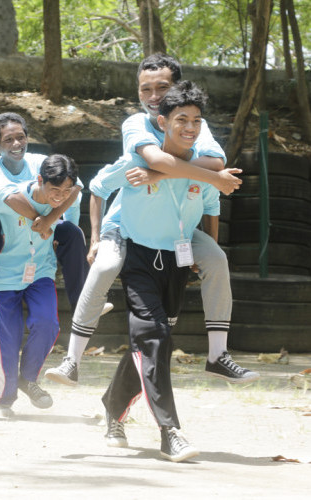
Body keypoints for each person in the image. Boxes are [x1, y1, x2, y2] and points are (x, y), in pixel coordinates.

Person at [45, 53, 259, 386]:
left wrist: (159, 173)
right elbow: (157, 161)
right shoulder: (135, 124)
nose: (153, 96)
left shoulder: (192, 126)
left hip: (178, 234)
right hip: (129, 229)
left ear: (178, 89)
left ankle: (218, 356)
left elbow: (217, 161)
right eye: (145, 89)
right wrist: (96, 237)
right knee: (102, 268)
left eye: (162, 87)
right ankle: (71, 360)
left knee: (215, 260)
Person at [99, 81, 217, 462]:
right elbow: (97, 186)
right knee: (154, 338)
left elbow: (213, 189)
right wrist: (97, 238)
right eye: (181, 119)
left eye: (196, 120)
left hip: (177, 262)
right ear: (162, 122)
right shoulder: (140, 158)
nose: (190, 127)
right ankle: (170, 431)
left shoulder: (202, 161)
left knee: (151, 340)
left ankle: (112, 408)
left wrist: (204, 252)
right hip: (138, 258)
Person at [0, 154, 81, 419]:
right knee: (9, 339)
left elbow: (71, 210)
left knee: (48, 324)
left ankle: (28, 379)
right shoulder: (10, 199)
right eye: (54, 190)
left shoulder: (68, 199)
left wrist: (54, 219)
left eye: (66, 191)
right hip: (3, 277)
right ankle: (1, 400)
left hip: (41, 273)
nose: (59, 197)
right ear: (40, 180)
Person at [0, 113, 94, 319]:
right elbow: (12, 199)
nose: (17, 143)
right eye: (8, 140)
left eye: (21, 137)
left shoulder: (40, 161)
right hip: (2, 227)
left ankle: (84, 303)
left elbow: (75, 187)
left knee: (72, 232)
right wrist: (42, 221)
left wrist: (50, 222)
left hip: (38, 228)